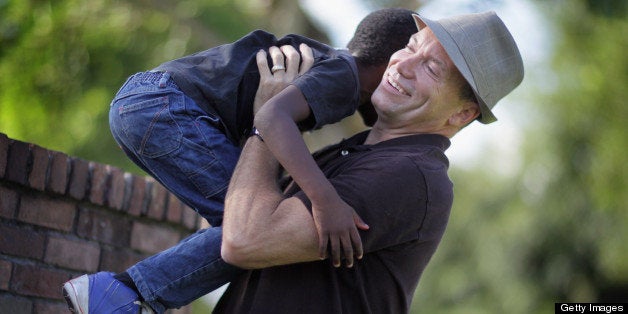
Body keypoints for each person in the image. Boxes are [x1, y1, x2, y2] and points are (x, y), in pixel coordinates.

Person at [63, 8, 418, 314]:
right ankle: (122, 294)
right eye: (415, 69)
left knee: (245, 223)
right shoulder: (345, 79)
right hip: (168, 108)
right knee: (254, 227)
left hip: (146, 103)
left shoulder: (330, 68)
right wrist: (326, 200)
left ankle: (127, 295)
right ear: (394, 63)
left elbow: (267, 127)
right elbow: (273, 121)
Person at [215, 10, 524, 313]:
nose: (402, 65)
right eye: (410, 47)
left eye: (431, 68)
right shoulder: (364, 150)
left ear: (461, 114)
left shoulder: (409, 176)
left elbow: (243, 239)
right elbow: (243, 212)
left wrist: (267, 116)